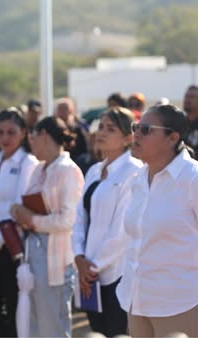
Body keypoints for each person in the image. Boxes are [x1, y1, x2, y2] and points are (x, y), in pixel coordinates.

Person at [116, 104, 198, 337]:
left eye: (145, 129)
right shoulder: (137, 179)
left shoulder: (197, 179)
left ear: (172, 138)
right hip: (138, 300)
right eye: (136, 127)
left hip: (183, 302)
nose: (136, 134)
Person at [9, 116, 84, 337]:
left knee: (52, 327)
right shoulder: (40, 168)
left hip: (55, 263)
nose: (30, 142)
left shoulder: (68, 170)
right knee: (33, 326)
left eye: (32, 136)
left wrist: (31, 219)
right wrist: (19, 213)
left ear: (43, 136)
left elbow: (68, 220)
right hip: (33, 256)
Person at [72, 107, 142, 336]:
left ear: (128, 137)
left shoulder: (134, 171)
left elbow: (122, 230)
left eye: (110, 129)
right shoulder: (93, 170)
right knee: (97, 331)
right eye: (100, 126)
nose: (101, 132)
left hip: (117, 273)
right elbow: (79, 217)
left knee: (117, 331)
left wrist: (93, 266)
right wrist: (79, 258)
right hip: (88, 273)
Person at [0, 108, 39, 337]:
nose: (5, 137)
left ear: (23, 133)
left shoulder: (27, 162)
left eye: (11, 132)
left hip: (13, 247)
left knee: (14, 309)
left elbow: (18, 208)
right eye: (0, 132)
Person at [54, 97, 89, 164]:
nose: (62, 112)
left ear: (71, 111)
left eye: (65, 109)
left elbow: (84, 150)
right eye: (60, 109)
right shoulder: (52, 130)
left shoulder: (78, 129)